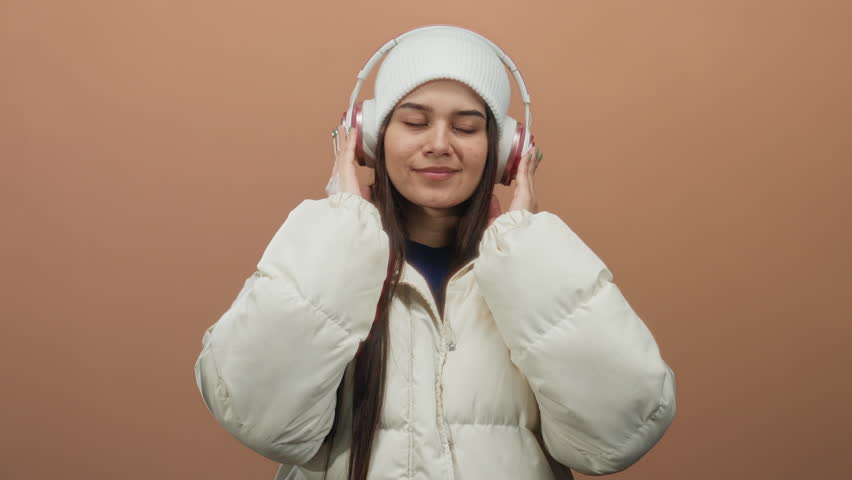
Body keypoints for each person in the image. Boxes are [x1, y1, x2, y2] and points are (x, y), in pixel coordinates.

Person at [194, 26, 676, 480]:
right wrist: (344, 226)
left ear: (506, 152)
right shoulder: (326, 256)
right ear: (369, 139)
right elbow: (257, 418)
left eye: (466, 128)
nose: (439, 144)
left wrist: (526, 247)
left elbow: (619, 434)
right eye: (415, 122)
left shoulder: (534, 269)